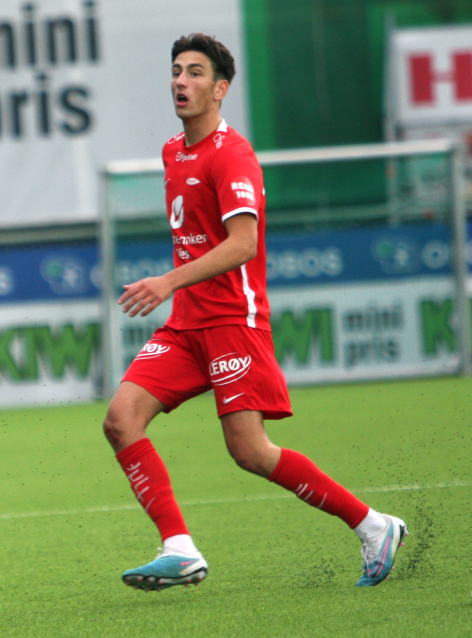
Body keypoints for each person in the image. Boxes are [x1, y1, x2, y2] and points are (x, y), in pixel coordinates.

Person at [104, 33, 407, 592]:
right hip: (186, 325)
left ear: (220, 89)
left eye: (195, 72)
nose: (180, 81)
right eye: (176, 71)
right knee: (121, 420)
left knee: (250, 452)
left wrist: (167, 281)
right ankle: (179, 548)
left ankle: (373, 525)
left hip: (231, 323)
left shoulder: (232, 155)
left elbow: (243, 244)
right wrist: (176, 291)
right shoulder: (173, 151)